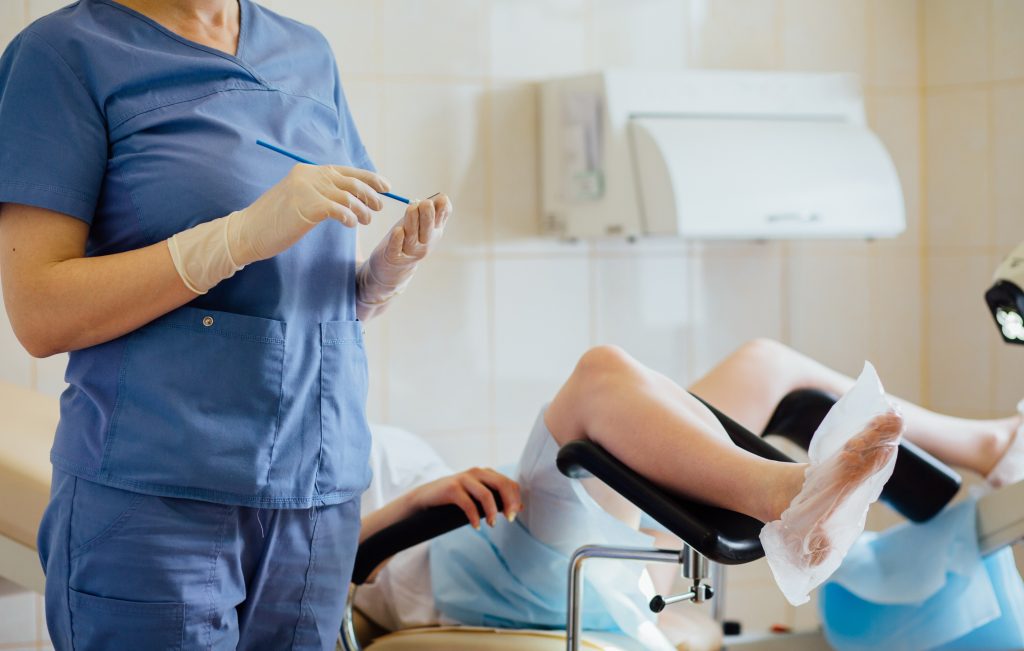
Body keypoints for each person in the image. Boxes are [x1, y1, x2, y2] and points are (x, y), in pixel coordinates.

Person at [0, 1, 450, 648]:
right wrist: (235, 237)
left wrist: (376, 281)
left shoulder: (307, 52)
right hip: (156, 502)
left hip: (317, 495)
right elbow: (38, 312)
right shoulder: (65, 52)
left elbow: (293, 295)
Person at [350, 340, 1024, 651]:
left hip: (525, 534)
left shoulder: (325, 433)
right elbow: (296, 594)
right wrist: (412, 506)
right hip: (469, 562)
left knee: (765, 366)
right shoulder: (271, 488)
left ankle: (991, 445)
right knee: (596, 376)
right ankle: (788, 498)